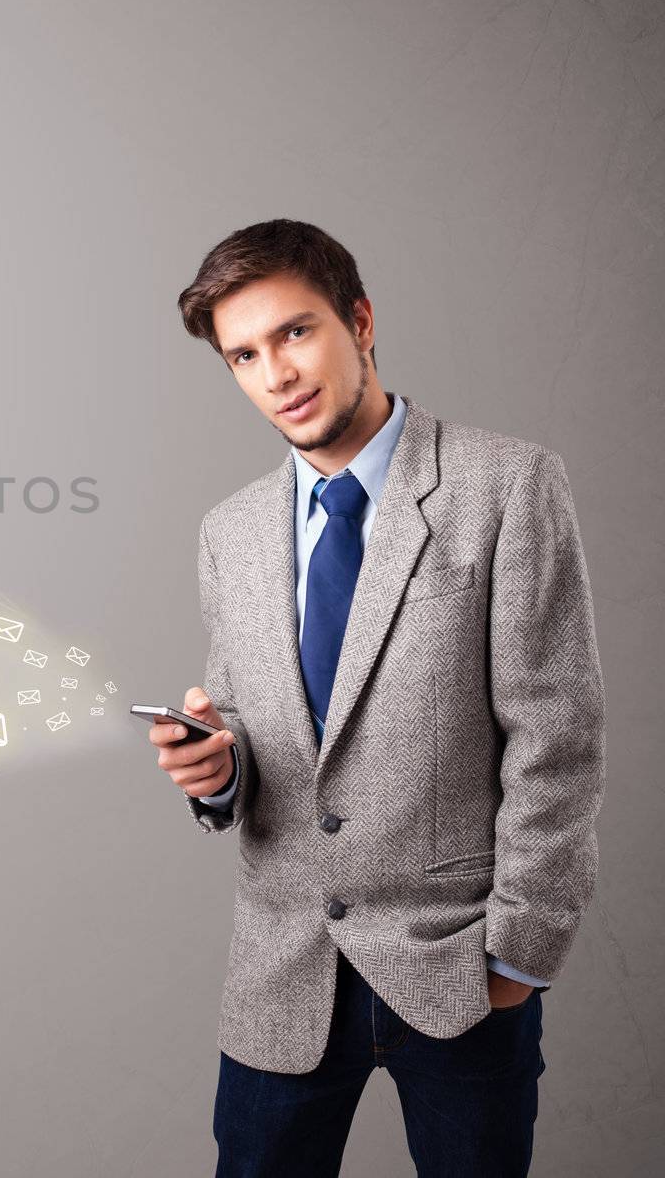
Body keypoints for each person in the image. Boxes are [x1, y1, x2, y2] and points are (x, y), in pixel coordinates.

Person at [149, 220, 604, 1177]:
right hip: (282, 972)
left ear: (359, 321)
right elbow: (250, 725)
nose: (277, 372)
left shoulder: (506, 484)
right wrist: (217, 766)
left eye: (296, 332)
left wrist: (517, 957)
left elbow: (555, 739)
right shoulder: (227, 532)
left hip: (460, 971)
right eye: (245, 353)